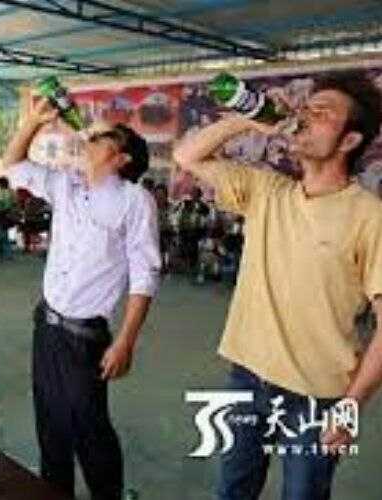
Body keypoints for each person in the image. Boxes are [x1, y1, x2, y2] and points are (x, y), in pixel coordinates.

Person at [172, 71, 382, 500]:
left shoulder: (370, 216)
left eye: (323, 112)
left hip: (317, 397)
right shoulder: (267, 191)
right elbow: (186, 156)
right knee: (232, 490)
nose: (306, 115)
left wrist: (352, 405)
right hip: (246, 378)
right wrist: (250, 120)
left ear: (349, 140)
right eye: (308, 106)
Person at [3, 100, 161, 500]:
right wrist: (33, 122)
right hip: (47, 324)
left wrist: (125, 341)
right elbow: (14, 163)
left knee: (89, 427)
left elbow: (145, 274)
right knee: (50, 422)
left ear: (121, 158)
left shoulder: (134, 201)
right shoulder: (66, 184)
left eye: (104, 138)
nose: (92, 139)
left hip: (84, 335)